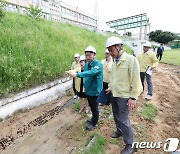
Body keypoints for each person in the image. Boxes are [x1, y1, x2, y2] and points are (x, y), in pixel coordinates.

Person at [105, 36, 142, 154]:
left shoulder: (131, 60)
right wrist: (110, 88)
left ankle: (130, 145)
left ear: (119, 46)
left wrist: (133, 97)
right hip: (115, 94)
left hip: (124, 96)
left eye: (111, 50)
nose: (110, 53)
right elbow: (114, 77)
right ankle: (119, 131)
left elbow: (136, 79)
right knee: (116, 115)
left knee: (124, 120)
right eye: (108, 50)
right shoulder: (115, 62)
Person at [68, 46, 103, 131]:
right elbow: (81, 69)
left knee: (94, 108)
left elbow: (91, 73)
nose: (87, 57)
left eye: (89, 55)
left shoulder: (98, 65)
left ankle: (94, 124)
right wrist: (72, 71)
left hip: (95, 91)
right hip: (88, 90)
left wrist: (77, 74)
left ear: (94, 55)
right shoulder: (87, 64)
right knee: (91, 106)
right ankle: (92, 119)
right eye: (86, 55)